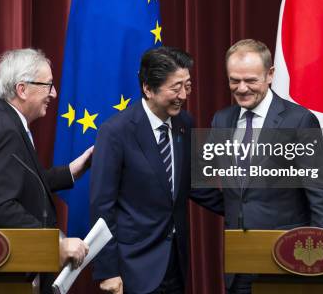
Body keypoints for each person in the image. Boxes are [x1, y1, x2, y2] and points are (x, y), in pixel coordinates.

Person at [0, 48, 93, 293]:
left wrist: (71, 171)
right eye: (48, 85)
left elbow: (19, 181)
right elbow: (1, 205)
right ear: (22, 89)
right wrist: (55, 242)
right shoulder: (5, 131)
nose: (54, 93)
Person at [90, 47, 224, 294]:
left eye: (188, 85)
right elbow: (102, 206)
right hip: (133, 266)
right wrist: (108, 271)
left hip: (175, 262)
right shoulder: (116, 132)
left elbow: (193, 185)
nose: (183, 95)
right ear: (148, 89)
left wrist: (245, 207)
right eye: (175, 88)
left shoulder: (185, 123)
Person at [211, 39, 323, 294]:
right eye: (234, 80)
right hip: (239, 263)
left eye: (250, 80)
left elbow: (321, 196)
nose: (242, 88)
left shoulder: (299, 120)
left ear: (270, 75)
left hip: (288, 261)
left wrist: (321, 262)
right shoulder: (221, 120)